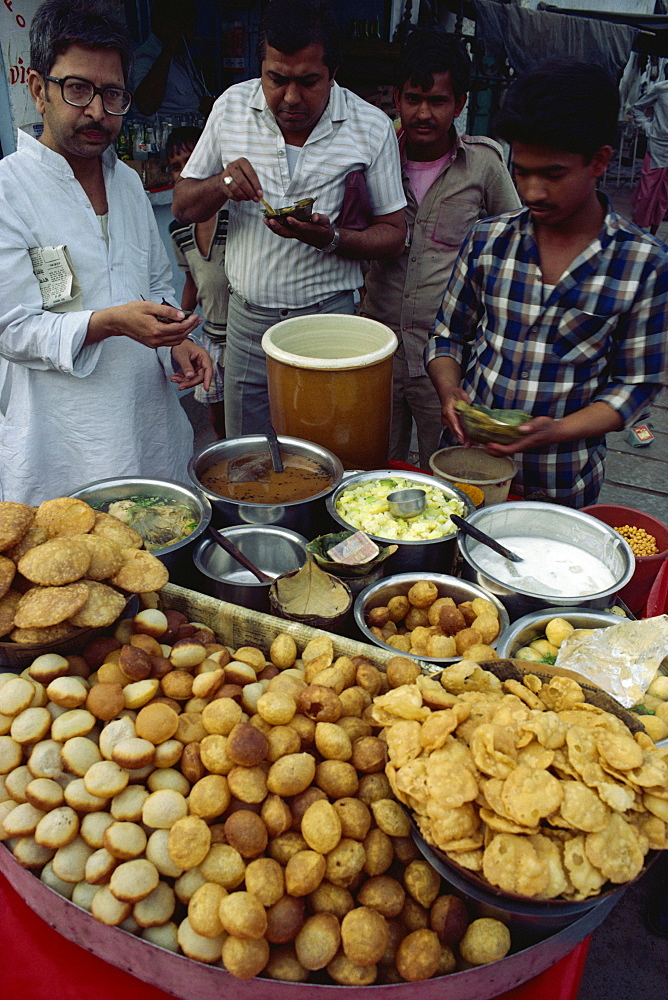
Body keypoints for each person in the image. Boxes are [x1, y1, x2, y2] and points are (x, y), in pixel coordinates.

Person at [426, 60, 668, 508]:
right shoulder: (488, 240)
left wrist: (554, 430)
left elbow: (635, 385)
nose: (533, 191)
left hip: (559, 481)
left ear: (599, 161)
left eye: (552, 174)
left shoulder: (642, 264)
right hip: (465, 467)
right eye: (522, 171)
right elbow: (447, 335)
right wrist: (449, 391)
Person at [0, 0, 212, 505]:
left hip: (149, 427)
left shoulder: (129, 186)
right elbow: (12, 328)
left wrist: (176, 339)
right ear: (38, 89)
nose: (97, 110)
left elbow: (158, 283)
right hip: (62, 442)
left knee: (160, 563)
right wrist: (109, 322)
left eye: (113, 93)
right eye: (78, 89)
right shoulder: (9, 191)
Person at [172, 0, 406, 437]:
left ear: (332, 74)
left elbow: (394, 235)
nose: (291, 97)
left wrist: (332, 238)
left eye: (309, 81)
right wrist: (221, 184)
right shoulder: (231, 109)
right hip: (247, 322)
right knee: (248, 456)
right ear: (261, 66)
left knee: (327, 448)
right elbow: (183, 205)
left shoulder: (370, 127)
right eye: (276, 79)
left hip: (328, 318)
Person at [362, 28, 520, 470]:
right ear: (396, 97)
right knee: (375, 467)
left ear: (461, 104)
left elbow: (513, 245)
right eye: (413, 98)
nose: (424, 113)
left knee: (448, 471)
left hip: (448, 360)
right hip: (379, 351)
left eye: (438, 101)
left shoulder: (483, 165)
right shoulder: (375, 160)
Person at [168, 126, 229, 439]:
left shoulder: (235, 216)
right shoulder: (179, 229)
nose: (183, 172)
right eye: (176, 166)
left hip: (243, 334)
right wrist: (177, 325)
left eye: (191, 161)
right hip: (211, 337)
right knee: (216, 415)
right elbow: (193, 282)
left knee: (251, 411)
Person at [129, 0, 212, 120]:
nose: (191, 36)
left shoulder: (181, 57)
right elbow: (146, 105)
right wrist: (169, 48)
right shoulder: (145, 58)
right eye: (188, 29)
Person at [630, 70, 668, 235]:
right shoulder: (661, 89)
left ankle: (653, 235)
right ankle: (636, 231)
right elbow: (637, 108)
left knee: (664, 196)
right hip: (656, 146)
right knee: (647, 191)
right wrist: (647, 127)